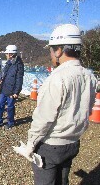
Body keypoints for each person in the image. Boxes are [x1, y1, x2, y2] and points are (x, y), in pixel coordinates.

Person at [22, 24, 97, 185]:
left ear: (59, 50)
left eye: (51, 49)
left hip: (51, 145)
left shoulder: (57, 78)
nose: (50, 54)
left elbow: (44, 118)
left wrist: (30, 144)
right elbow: (88, 108)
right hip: (72, 143)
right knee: (62, 180)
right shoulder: (89, 76)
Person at [0, 45, 24, 129]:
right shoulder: (9, 62)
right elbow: (5, 74)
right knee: (0, 104)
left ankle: (10, 122)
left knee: (10, 107)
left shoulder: (19, 65)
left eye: (7, 54)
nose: (6, 55)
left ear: (11, 54)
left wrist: (16, 92)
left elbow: (19, 79)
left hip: (12, 90)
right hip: (4, 88)